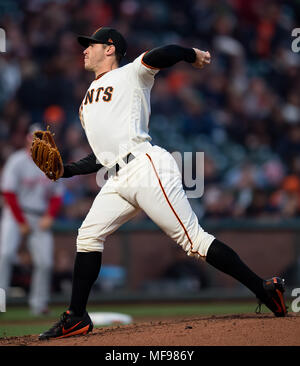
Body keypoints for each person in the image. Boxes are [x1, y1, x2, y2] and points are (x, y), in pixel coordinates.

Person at [39, 27, 287, 340]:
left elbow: (163, 53)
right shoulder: (86, 102)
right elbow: (102, 157)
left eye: (92, 44)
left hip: (145, 166)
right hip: (116, 177)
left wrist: (190, 54)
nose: (85, 49)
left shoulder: (131, 74)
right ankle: (76, 316)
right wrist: (66, 170)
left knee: (193, 241)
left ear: (110, 48)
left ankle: (264, 289)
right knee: (87, 236)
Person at [0, 124, 64, 315]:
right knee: (5, 255)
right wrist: (20, 221)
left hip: (39, 216)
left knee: (45, 262)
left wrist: (50, 215)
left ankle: (39, 305)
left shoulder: (51, 163)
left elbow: (57, 195)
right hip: (15, 214)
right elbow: (9, 194)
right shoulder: (17, 161)